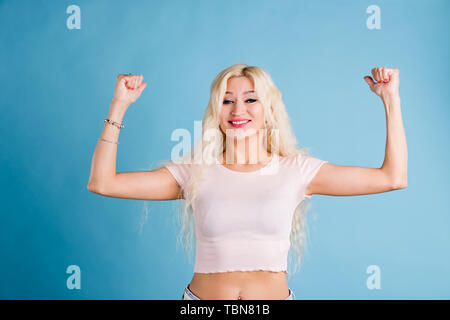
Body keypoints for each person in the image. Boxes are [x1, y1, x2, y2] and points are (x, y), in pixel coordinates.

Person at [87, 64, 407, 300]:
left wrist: (390, 100)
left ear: (268, 110)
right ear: (217, 110)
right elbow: (103, 183)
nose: (237, 109)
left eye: (250, 99)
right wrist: (119, 106)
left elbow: (393, 177)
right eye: (227, 101)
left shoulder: (296, 170)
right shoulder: (194, 173)